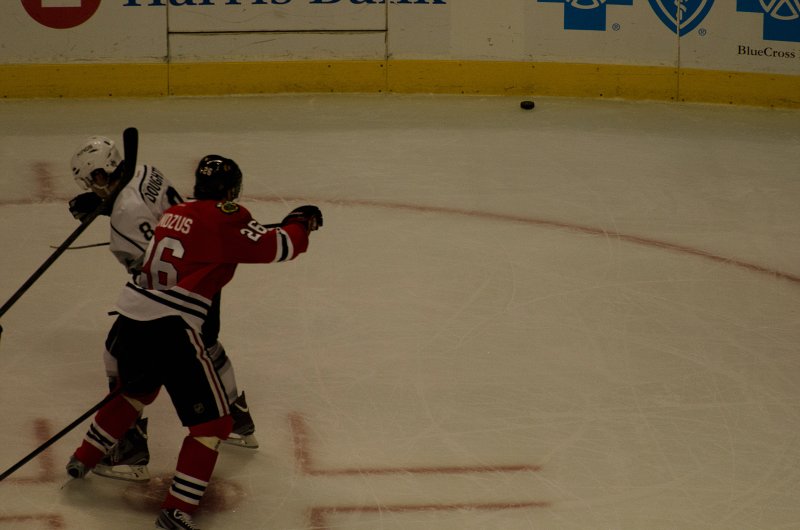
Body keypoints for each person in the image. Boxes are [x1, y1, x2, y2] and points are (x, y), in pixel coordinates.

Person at [66, 154, 322, 529]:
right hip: (172, 328)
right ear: (232, 190)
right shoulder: (228, 214)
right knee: (212, 426)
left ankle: (84, 458)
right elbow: (280, 246)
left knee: (133, 393)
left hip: (128, 317)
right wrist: (302, 222)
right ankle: (178, 510)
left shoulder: (174, 212)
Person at [67, 138, 259, 482]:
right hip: (205, 275)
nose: (92, 187)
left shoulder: (125, 215)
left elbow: (148, 267)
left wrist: (111, 217)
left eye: (93, 180)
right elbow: (167, 220)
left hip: (176, 293)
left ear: (102, 172)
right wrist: (106, 207)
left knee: (118, 354)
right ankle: (236, 416)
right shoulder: (146, 171)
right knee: (208, 346)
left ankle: (130, 448)